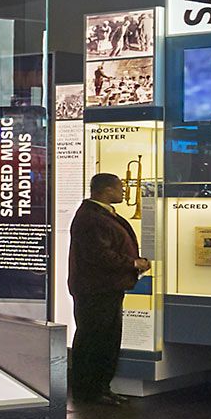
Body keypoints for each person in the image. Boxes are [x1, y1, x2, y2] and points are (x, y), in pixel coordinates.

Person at [67, 172, 147, 405]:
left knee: (105, 340)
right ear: (106, 190)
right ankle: (90, 390)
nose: (123, 191)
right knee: (95, 340)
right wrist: (132, 263)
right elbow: (99, 255)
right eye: (119, 187)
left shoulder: (99, 214)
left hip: (105, 287)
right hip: (96, 289)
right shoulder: (91, 217)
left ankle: (100, 387)